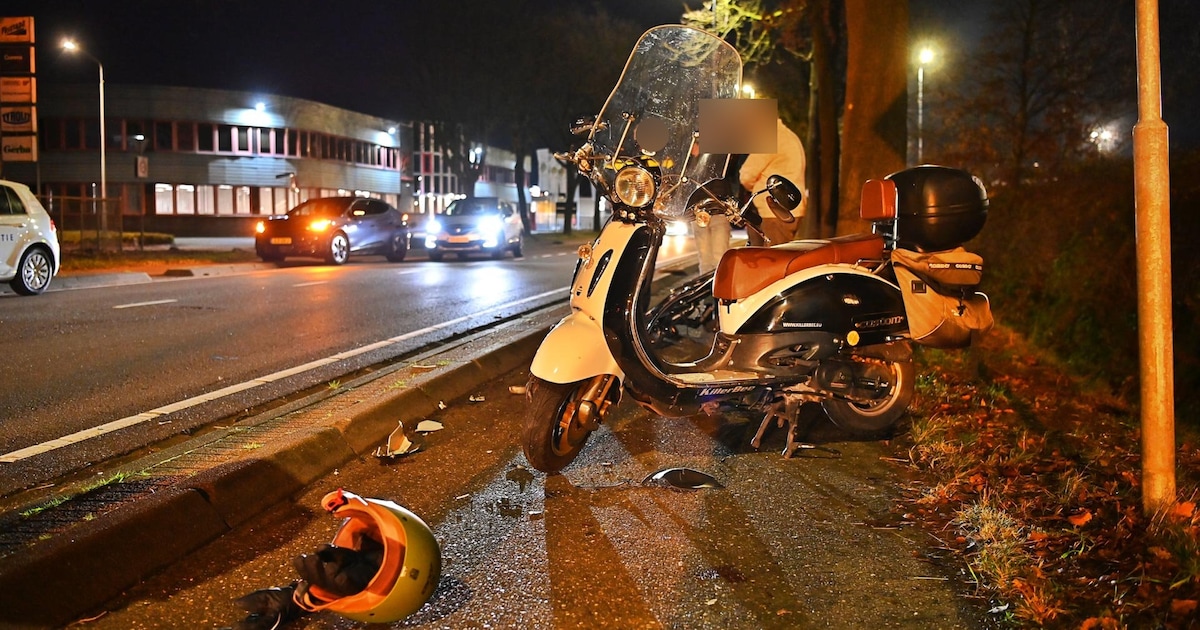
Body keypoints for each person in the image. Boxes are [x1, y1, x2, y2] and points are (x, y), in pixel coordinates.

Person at [739, 118, 807, 246]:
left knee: (770, 259)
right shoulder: (790, 136)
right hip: (790, 208)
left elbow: (746, 174)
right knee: (780, 256)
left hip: (773, 210)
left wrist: (752, 188)